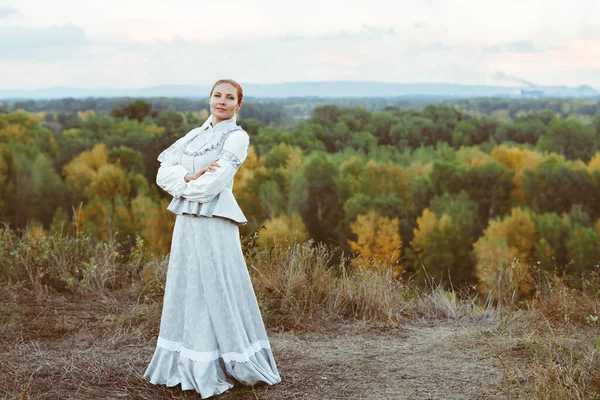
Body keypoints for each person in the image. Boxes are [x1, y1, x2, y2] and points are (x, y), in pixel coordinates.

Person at [143, 79, 281, 398]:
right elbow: (162, 170)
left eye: (229, 97)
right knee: (188, 283)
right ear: (209, 99)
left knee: (214, 285)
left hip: (215, 221)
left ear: (238, 105)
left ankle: (217, 362)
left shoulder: (237, 137)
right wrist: (188, 177)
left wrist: (189, 184)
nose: (221, 101)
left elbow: (213, 186)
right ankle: (187, 359)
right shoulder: (194, 136)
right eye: (217, 95)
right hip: (187, 223)